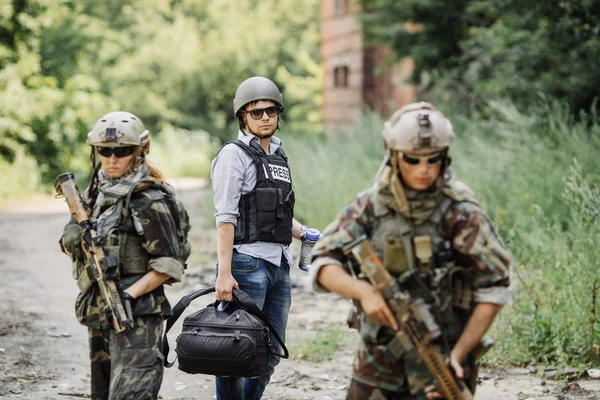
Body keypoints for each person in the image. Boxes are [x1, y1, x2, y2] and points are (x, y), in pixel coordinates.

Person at [309, 102, 512, 399]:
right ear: (394, 156)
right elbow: (323, 263)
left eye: (433, 159)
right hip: (379, 361)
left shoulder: (461, 214)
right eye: (412, 160)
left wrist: (458, 354)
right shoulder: (371, 207)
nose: (424, 170)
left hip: (442, 357)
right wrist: (364, 292)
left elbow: (495, 287)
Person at [59, 111, 190, 400]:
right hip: (100, 313)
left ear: (139, 151)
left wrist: (129, 295)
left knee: (131, 395)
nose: (112, 158)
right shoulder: (98, 192)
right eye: (105, 151)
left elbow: (168, 265)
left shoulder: (149, 198)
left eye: (122, 151)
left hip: (137, 317)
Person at [210, 76, 318, 400]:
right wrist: (224, 272)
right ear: (243, 116)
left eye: (271, 110)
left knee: (271, 350)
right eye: (256, 112)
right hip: (246, 265)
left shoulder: (279, 157)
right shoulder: (234, 155)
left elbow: (273, 212)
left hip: (279, 266)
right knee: (237, 350)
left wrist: (303, 232)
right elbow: (226, 216)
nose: (265, 117)